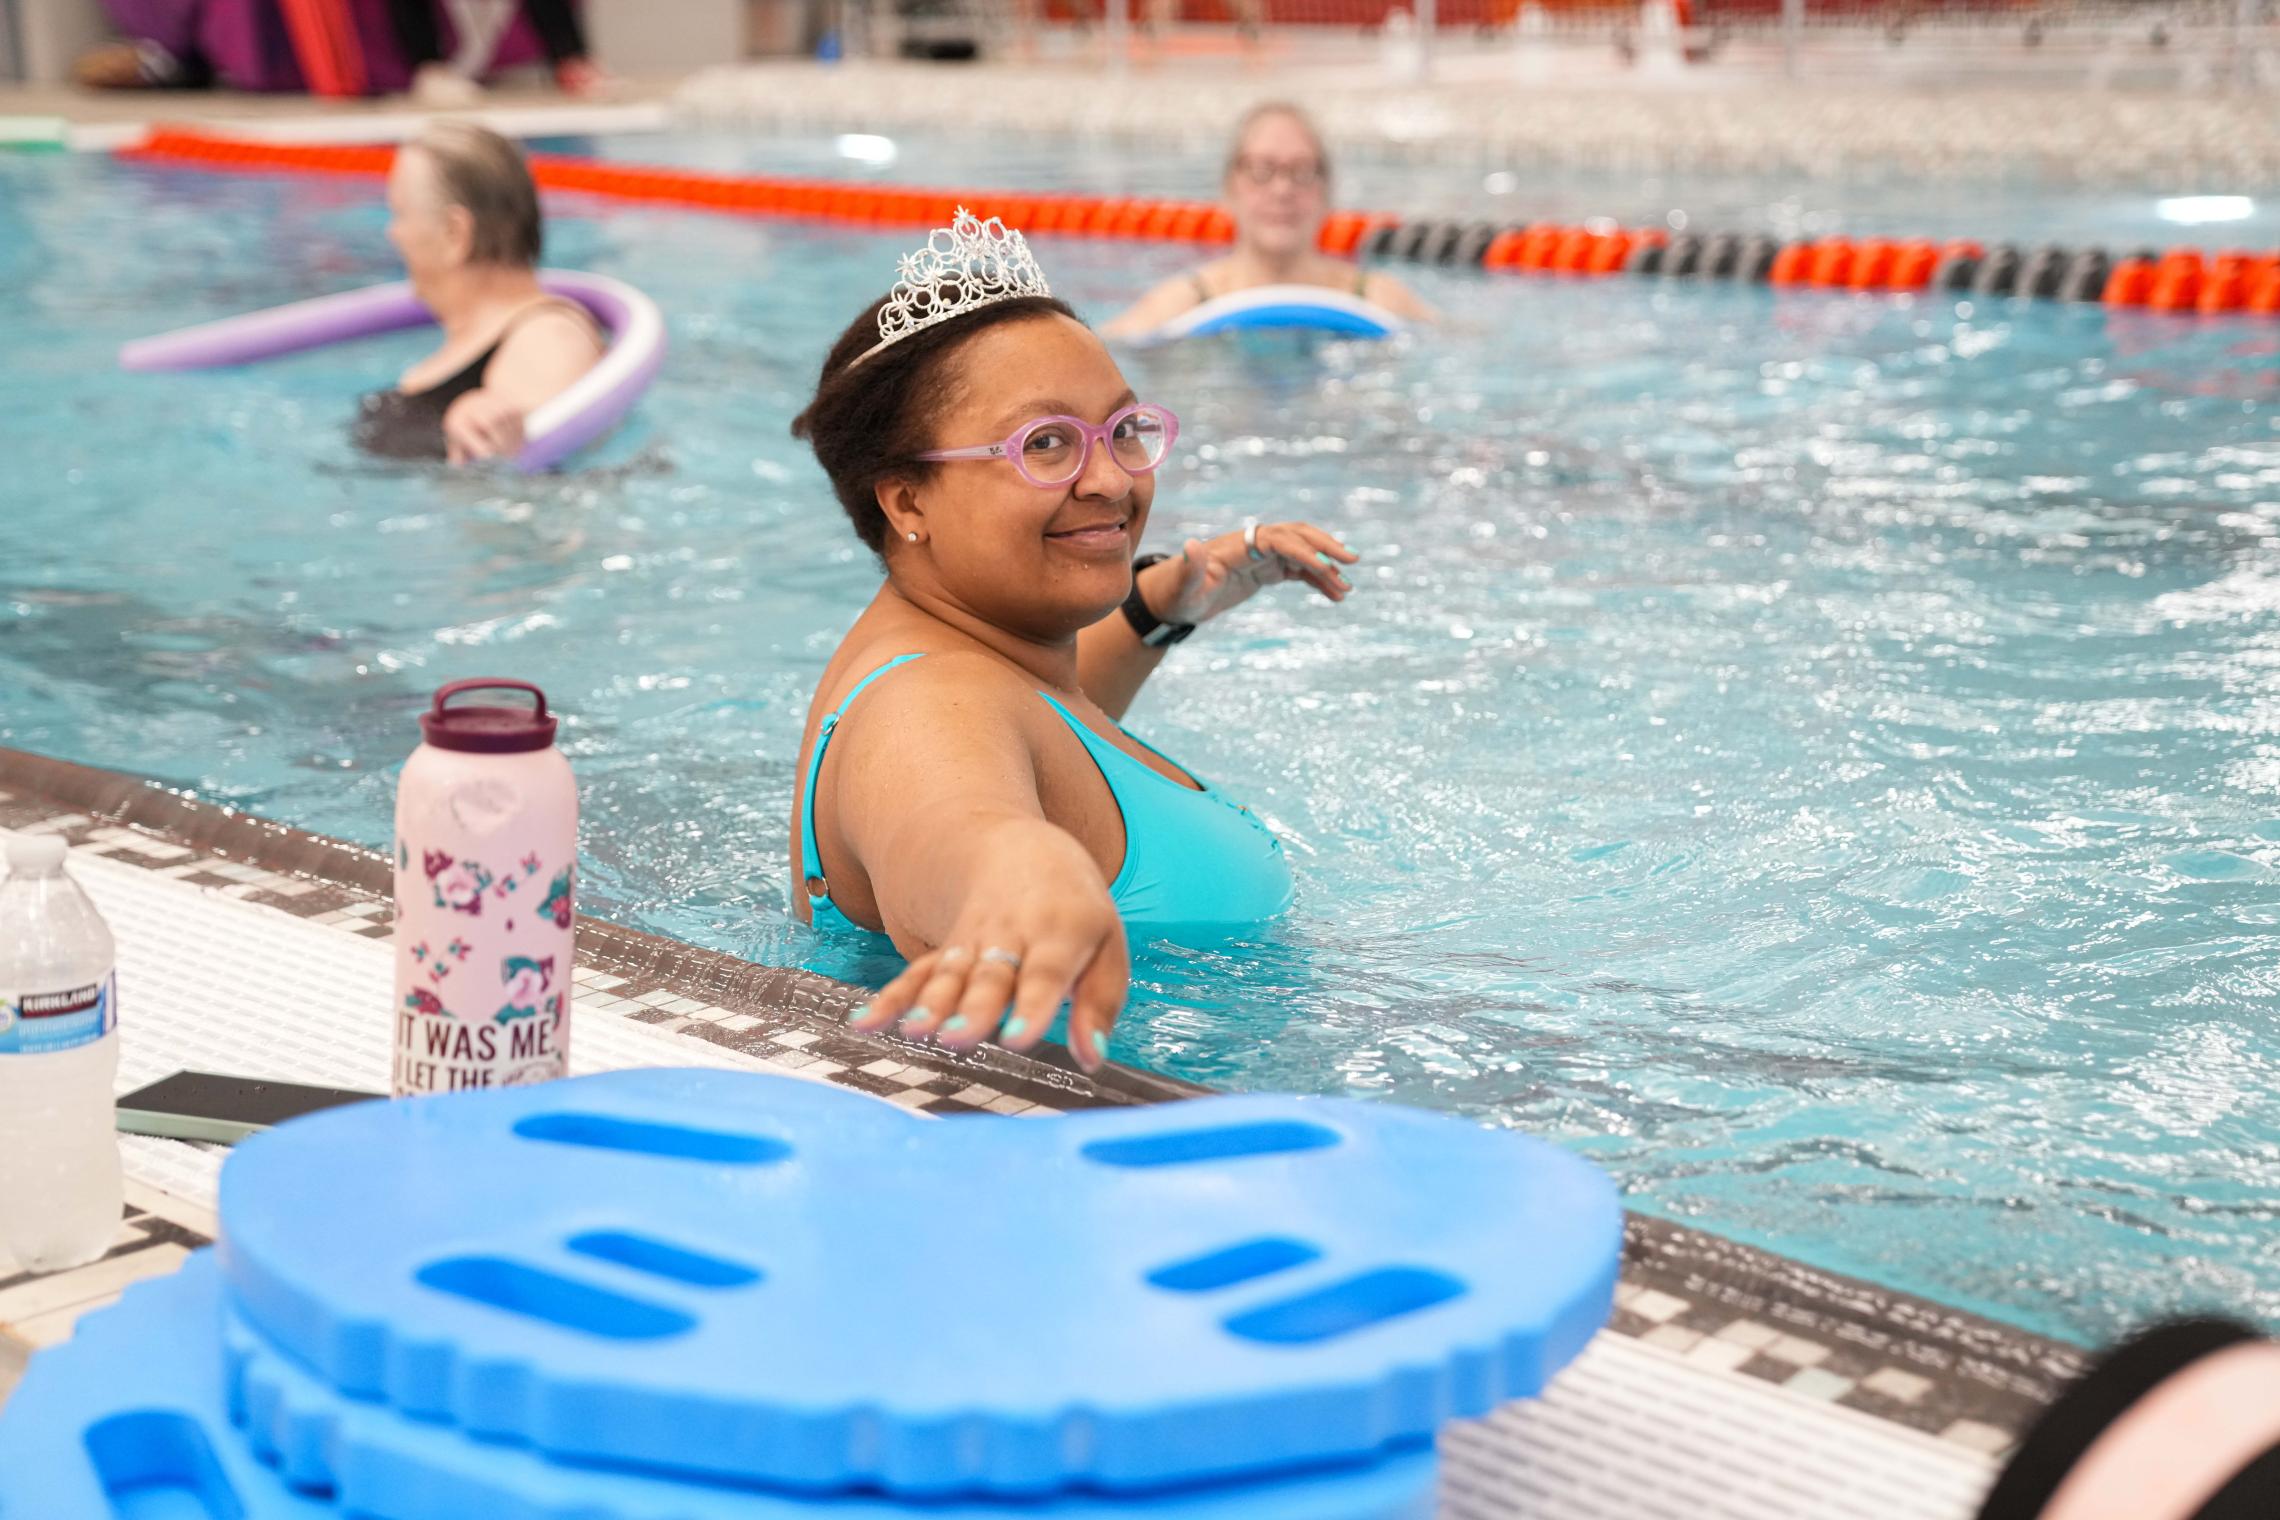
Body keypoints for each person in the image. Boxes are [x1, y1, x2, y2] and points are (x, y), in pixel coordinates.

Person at [790, 211, 1359, 1071]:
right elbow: (950, 824)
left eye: (1122, 431)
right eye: (1046, 444)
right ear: (907, 502)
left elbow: (1053, 733)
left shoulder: (979, 657)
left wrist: (1158, 609)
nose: (1110, 479)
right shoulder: (921, 707)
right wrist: (1025, 873)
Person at [352, 123, 604, 465]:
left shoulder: (546, 338)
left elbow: (527, 461)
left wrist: (487, 422)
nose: (392, 233)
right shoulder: (482, 344)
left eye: (400, 214)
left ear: (454, 233)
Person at [1101, 102, 1434, 340]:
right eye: (1262, 170)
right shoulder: (1180, 304)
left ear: (1327, 191)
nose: (1282, 190)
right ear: (1229, 187)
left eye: (1301, 171)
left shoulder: (1378, 298)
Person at [384, 0, 610, 103]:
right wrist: (428, 66)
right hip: (417, 82)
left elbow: (554, 14)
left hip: (516, 81)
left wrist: (571, 56)